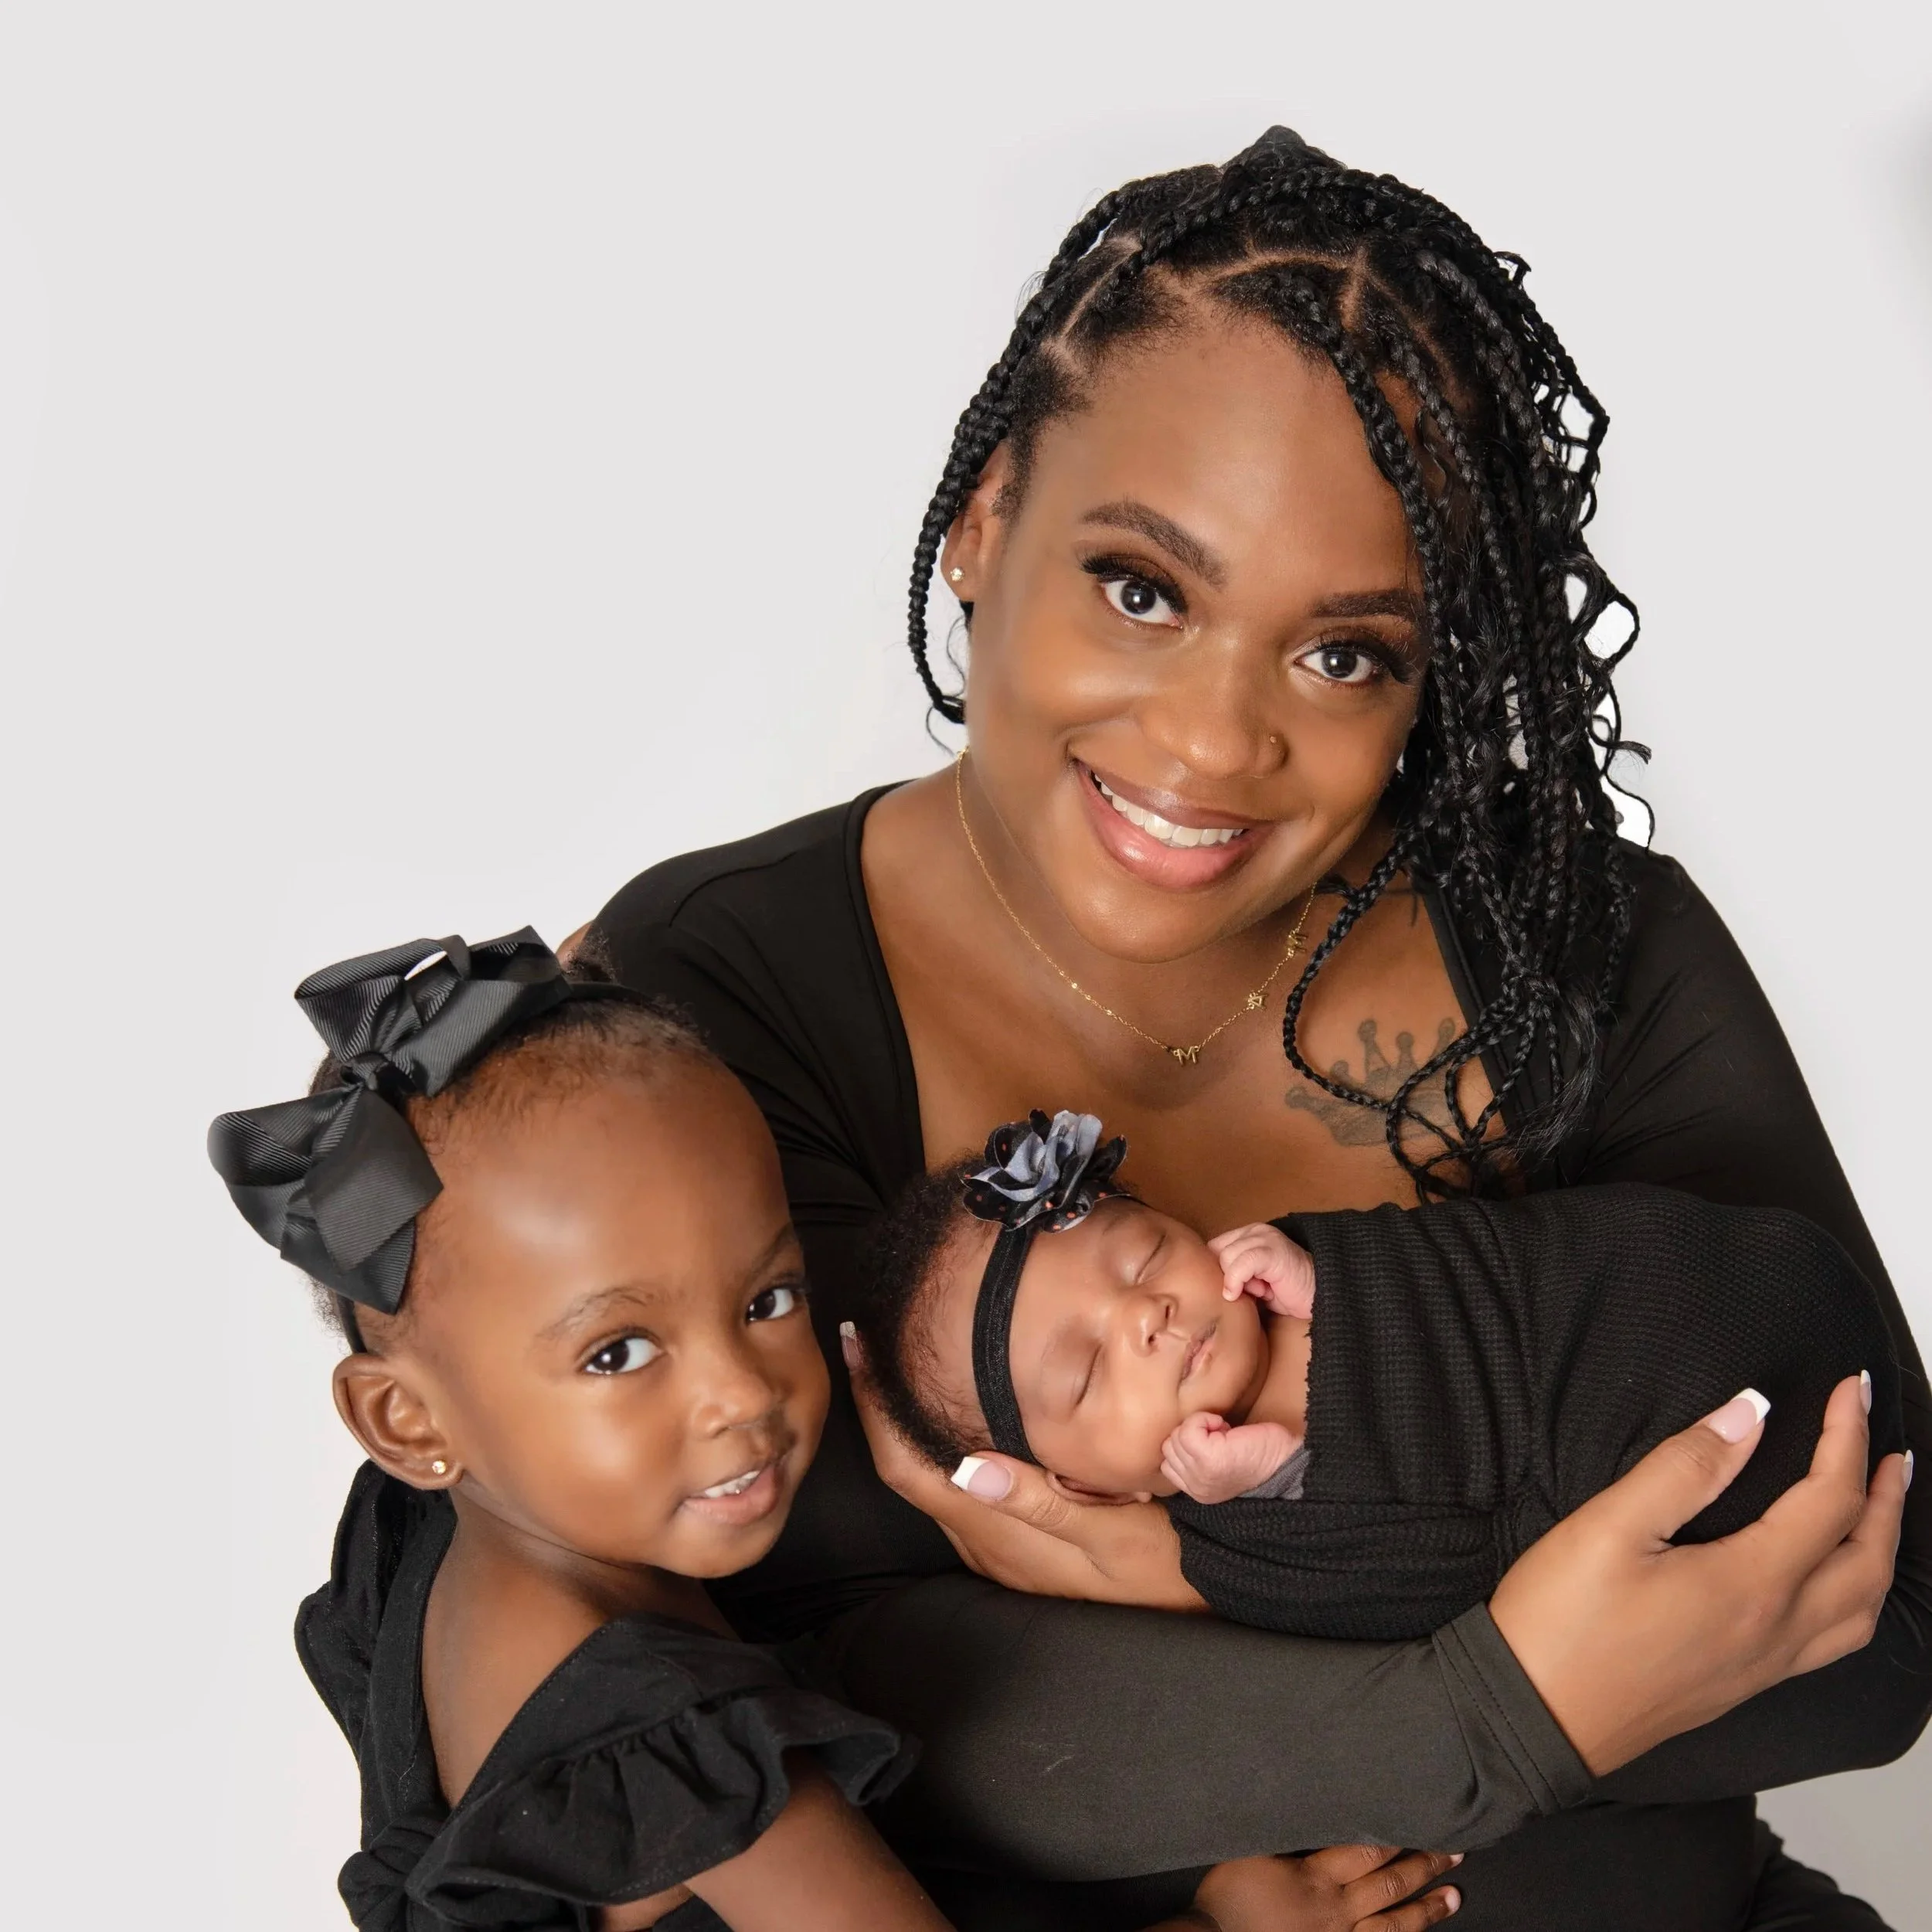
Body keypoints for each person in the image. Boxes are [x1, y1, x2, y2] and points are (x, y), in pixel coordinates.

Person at [585, 128, 1927, 1931]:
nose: (1215, 745)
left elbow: (1883, 1617)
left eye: (1344, 651)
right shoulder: (734, 990)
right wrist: (1510, 1696)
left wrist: (1183, 1579)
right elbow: (836, 1713)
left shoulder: (1568, 950)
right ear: (985, 519)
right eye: (1141, 588)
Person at [213, 932, 1463, 1932]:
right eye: (618, 1352)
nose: (743, 1395)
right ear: (406, 1423)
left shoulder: (464, 1540)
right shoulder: (671, 1746)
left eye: (768, 1301)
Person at [852, 1108, 1905, 1638]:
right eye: (1082, 1374)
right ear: (1086, 1487)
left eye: (1142, 1254)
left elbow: (1501, 1274)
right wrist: (1278, 1489)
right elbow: (1431, 1584)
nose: (1144, 1316)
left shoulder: (1305, 1264)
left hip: (1713, 1296)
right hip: (1681, 1464)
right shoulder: (1233, 1535)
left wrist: (1341, 1285)